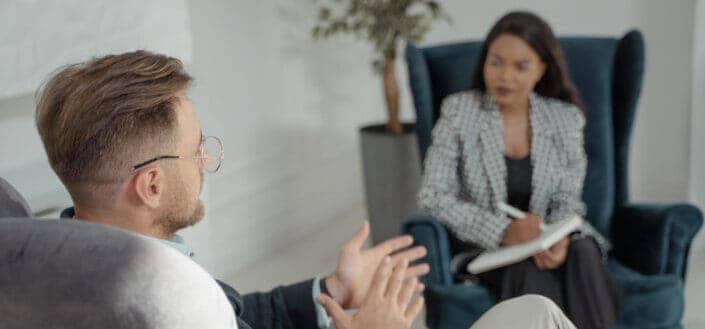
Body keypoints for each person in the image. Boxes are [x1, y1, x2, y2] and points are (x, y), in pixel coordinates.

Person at [33, 49, 577, 329]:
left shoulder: (81, 256)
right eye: (197, 148)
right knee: (535, 316)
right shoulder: (159, 306)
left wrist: (330, 291)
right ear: (151, 184)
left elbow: (237, 311)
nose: (205, 161)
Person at [418, 11, 621, 329]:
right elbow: (433, 196)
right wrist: (502, 231)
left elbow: (569, 199)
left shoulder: (565, 119)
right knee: (527, 268)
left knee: (582, 251)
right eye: (495, 62)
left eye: (520, 66)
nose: (505, 76)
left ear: (542, 69)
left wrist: (557, 237)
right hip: (492, 251)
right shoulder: (459, 111)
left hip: (550, 238)